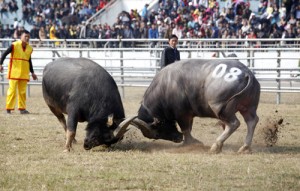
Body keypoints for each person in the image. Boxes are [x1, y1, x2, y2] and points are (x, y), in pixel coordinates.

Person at [0, 30, 38, 114]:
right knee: (12, 90)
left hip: (24, 73)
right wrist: (0, 64)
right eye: (25, 36)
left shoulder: (29, 48)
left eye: (28, 36)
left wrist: (32, 72)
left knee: (22, 92)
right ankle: (9, 108)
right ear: (21, 37)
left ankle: (22, 108)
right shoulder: (15, 45)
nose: (27, 38)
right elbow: (4, 54)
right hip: (14, 72)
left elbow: (29, 61)